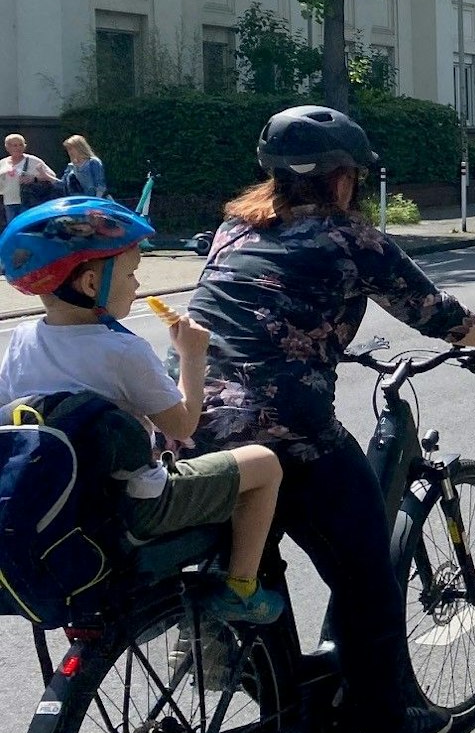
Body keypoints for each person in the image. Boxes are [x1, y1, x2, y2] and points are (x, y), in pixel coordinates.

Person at [187, 105, 475, 733]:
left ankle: (266, 677)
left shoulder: (233, 229)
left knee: (254, 560)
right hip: (290, 435)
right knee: (366, 564)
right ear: (343, 180)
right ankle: (390, 722)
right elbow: (436, 312)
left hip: (195, 428)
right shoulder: (347, 238)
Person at [0, 198, 286, 623]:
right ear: (92, 283)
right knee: (264, 465)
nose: (137, 284)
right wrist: (192, 356)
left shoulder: (20, 341)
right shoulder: (122, 350)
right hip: (137, 502)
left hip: (72, 506)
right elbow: (184, 424)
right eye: (131, 272)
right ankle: (240, 589)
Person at [1, 135, 58, 221]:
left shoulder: (33, 161)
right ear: (7, 147)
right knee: (12, 229)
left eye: (21, 145)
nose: (18, 148)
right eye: (15, 145)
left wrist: (34, 178)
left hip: (28, 202)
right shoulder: (3, 163)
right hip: (9, 202)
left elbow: (52, 176)